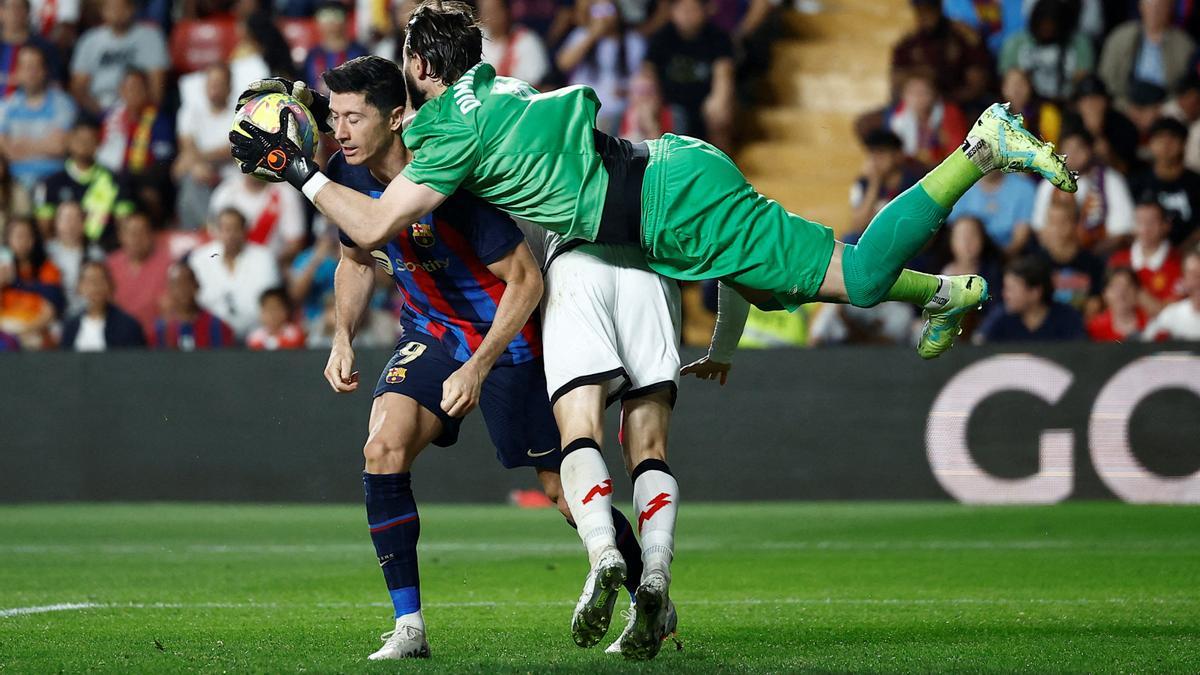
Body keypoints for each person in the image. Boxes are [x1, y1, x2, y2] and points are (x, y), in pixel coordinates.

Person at [231, 1, 1078, 646]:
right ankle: (943, 290)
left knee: (853, 274)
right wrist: (317, 110)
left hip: (660, 207)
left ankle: (980, 148)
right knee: (785, 288)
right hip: (662, 177)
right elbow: (381, 147)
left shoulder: (444, 132)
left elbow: (373, 224)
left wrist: (299, 166)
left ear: (417, 66)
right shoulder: (486, 86)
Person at [313, 56, 647, 660]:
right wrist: (343, 334)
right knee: (381, 448)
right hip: (432, 330)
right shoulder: (347, 171)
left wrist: (479, 365)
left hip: (506, 339)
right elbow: (357, 258)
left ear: (394, 118)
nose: (341, 131)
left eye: (354, 118)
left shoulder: (449, 174)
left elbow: (525, 281)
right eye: (335, 116)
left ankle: (651, 598)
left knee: (562, 490)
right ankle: (408, 627)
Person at [642, 0, 735, 150]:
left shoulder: (718, 38)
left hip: (704, 103)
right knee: (646, 110)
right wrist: (652, 102)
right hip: (669, 103)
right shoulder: (661, 38)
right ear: (672, 12)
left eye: (692, 9)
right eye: (682, 9)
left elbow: (723, 74)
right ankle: (663, 164)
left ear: (704, 11)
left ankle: (722, 163)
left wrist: (719, 100)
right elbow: (647, 73)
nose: (687, 15)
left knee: (718, 111)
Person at [1030, 127, 1134, 253]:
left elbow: (1121, 233)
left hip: (1100, 256)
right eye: (1068, 149)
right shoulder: (1049, 184)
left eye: (1079, 148)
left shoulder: (1111, 180)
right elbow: (1040, 230)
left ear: (1090, 150)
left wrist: (1087, 257)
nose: (1073, 155)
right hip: (1056, 256)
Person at [188, 207, 281, 338]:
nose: (230, 235)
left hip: (256, 333)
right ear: (216, 231)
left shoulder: (264, 257)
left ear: (245, 231)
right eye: (225, 229)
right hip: (210, 335)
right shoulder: (199, 258)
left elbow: (271, 300)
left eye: (235, 229)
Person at [68, 0, 168, 117]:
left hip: (139, 111)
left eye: (122, 7)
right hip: (98, 110)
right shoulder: (89, 40)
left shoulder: (151, 36)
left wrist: (141, 112)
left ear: (132, 9)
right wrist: (103, 114)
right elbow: (78, 88)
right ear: (102, 11)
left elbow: (157, 89)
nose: (117, 12)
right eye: (111, 8)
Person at [0, 45, 76, 190]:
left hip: (54, 178)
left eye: (35, 67)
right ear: (17, 72)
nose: (31, 73)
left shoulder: (63, 104)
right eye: (26, 67)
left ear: (45, 70)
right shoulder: (5, 106)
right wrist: (42, 145)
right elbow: (5, 150)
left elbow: (59, 147)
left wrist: (20, 145)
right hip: (14, 181)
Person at [173, 64, 236, 231]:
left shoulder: (239, 115)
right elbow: (186, 143)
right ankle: (205, 229)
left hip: (229, 178)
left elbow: (231, 150)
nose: (213, 87)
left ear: (229, 88)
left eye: (219, 83)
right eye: (210, 82)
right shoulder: (190, 111)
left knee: (187, 173)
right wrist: (196, 165)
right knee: (191, 180)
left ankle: (203, 232)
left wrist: (193, 160)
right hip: (199, 174)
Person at [1098, 0, 1195, 106]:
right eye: (1150, 5)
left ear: (1170, 8)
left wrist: (1161, 110)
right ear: (1140, 6)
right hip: (1124, 108)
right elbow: (1105, 81)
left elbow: (1189, 92)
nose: (1155, 11)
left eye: (1160, 6)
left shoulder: (1185, 45)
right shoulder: (1119, 37)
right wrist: (1127, 108)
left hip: (1167, 110)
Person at [977, 255, 1086, 341]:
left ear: (1035, 292)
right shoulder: (1000, 317)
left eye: (1012, 289)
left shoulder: (1067, 318)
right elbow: (979, 345)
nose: (1005, 295)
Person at [1129, 117, 1200, 247]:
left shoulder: (1196, 182)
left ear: (1183, 144)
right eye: (1160, 139)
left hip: (1190, 252)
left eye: (1173, 139)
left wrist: (1183, 251)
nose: (1166, 145)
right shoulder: (1137, 182)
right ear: (1150, 144)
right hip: (1146, 250)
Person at [106, 211, 173, 338]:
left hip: (155, 339)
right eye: (132, 233)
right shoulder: (110, 265)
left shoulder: (168, 265)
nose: (137, 238)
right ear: (121, 236)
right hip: (118, 339)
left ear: (151, 235)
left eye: (142, 232)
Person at [1108, 198, 1183, 310]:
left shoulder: (1180, 264)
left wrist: (1136, 293)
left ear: (1165, 225)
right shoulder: (1117, 261)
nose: (1145, 229)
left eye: (1151, 222)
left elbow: (1173, 310)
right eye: (1139, 222)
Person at [848, 129, 925, 237]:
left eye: (881, 153)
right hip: (874, 240)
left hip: (905, 241)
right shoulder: (863, 184)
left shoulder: (915, 183)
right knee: (850, 239)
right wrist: (874, 184)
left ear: (898, 155)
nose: (875, 159)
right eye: (871, 153)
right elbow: (857, 226)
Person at [60, 259, 146, 350]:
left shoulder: (129, 326)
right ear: (79, 287)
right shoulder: (70, 326)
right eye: (89, 281)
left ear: (110, 285)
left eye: (100, 280)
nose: (95, 286)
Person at [150, 260, 236, 350]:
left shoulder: (218, 327)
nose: (183, 290)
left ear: (197, 286)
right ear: (169, 289)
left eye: (188, 283)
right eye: (177, 285)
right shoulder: (160, 331)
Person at [478, 0, 550, 89]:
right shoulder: (476, 39)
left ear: (507, 11)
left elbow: (536, 84)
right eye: (486, 11)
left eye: (495, 11)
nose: (491, 17)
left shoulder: (526, 40)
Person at [1142, 246, 1200, 340]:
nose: (1198, 281)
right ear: (1184, 280)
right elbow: (1147, 343)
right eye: (1193, 274)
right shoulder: (1171, 315)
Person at [1086, 267, 1146, 341]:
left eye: (1128, 286)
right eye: (1116, 287)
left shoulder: (1151, 324)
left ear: (1137, 291)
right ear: (1105, 293)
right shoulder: (1094, 329)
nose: (1121, 293)